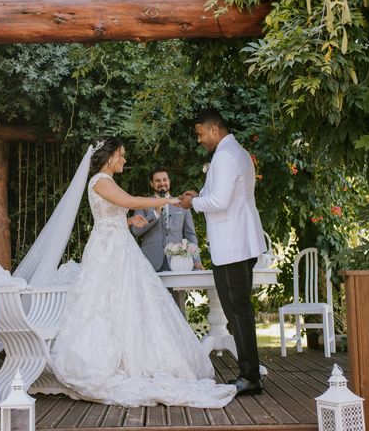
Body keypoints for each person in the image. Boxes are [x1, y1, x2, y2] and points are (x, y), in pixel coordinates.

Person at [50, 137, 236, 408]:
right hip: (108, 251)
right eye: (122, 155)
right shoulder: (100, 181)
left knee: (127, 301)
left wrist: (126, 220)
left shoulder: (107, 182)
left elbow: (110, 215)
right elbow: (133, 200)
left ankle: (131, 357)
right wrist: (169, 199)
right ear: (111, 156)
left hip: (117, 245)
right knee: (106, 303)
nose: (124, 159)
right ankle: (109, 362)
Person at [179, 110, 267, 396]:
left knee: (239, 310)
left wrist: (193, 203)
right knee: (236, 310)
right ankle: (248, 374)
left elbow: (219, 200)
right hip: (232, 245)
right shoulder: (230, 152)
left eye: (200, 134)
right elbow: (216, 194)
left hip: (234, 245)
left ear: (214, 129)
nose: (199, 139)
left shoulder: (227, 156)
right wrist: (197, 196)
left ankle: (250, 376)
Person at [130, 167, 203, 310]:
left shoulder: (183, 204)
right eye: (157, 180)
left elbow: (190, 235)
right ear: (152, 184)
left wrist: (196, 259)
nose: (161, 183)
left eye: (164, 179)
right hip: (150, 263)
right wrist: (155, 214)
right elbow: (136, 230)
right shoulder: (142, 203)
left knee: (177, 308)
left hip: (177, 262)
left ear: (169, 182)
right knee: (150, 307)